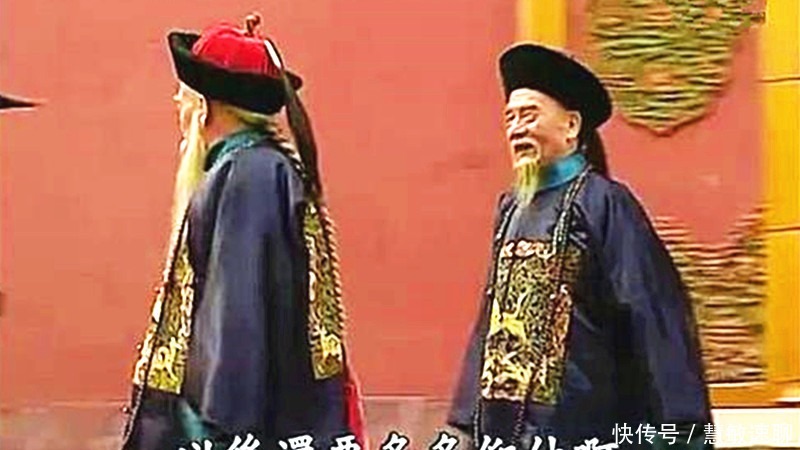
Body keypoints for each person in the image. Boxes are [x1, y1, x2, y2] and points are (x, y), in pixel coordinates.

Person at [447, 43, 712, 450]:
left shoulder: (604, 203)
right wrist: (465, 425)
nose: (516, 129)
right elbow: (492, 321)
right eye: (510, 118)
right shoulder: (511, 209)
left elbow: (652, 317)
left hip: (585, 427)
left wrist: (681, 432)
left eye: (529, 115)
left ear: (571, 126)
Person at [121, 14, 365, 450]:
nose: (176, 103)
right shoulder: (261, 169)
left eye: (183, 94)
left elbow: (237, 319)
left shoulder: (246, 177)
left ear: (205, 107)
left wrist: (219, 431)